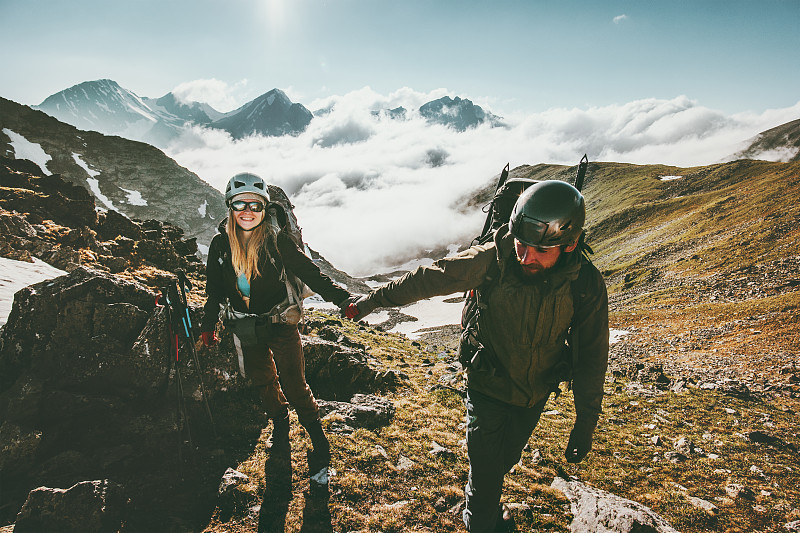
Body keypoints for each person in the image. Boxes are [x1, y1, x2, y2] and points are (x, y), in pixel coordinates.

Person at [345, 180, 609, 532]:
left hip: (533, 396)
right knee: (486, 477)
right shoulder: (491, 260)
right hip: (487, 386)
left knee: (503, 461)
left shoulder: (585, 283)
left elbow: (592, 354)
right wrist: (371, 301)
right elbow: (429, 278)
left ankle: (479, 498)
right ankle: (479, 516)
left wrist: (585, 423)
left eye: (540, 251)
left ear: (570, 244)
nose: (525, 257)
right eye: (520, 244)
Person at [200, 172, 352, 480]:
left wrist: (343, 300)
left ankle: (315, 435)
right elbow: (214, 290)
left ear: (264, 208)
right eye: (240, 204)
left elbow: (310, 273)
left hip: (282, 324)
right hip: (246, 328)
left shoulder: (277, 240)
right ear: (230, 206)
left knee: (295, 385)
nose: (247, 211)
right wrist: (208, 325)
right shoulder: (219, 245)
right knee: (262, 381)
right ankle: (280, 422)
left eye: (255, 205)